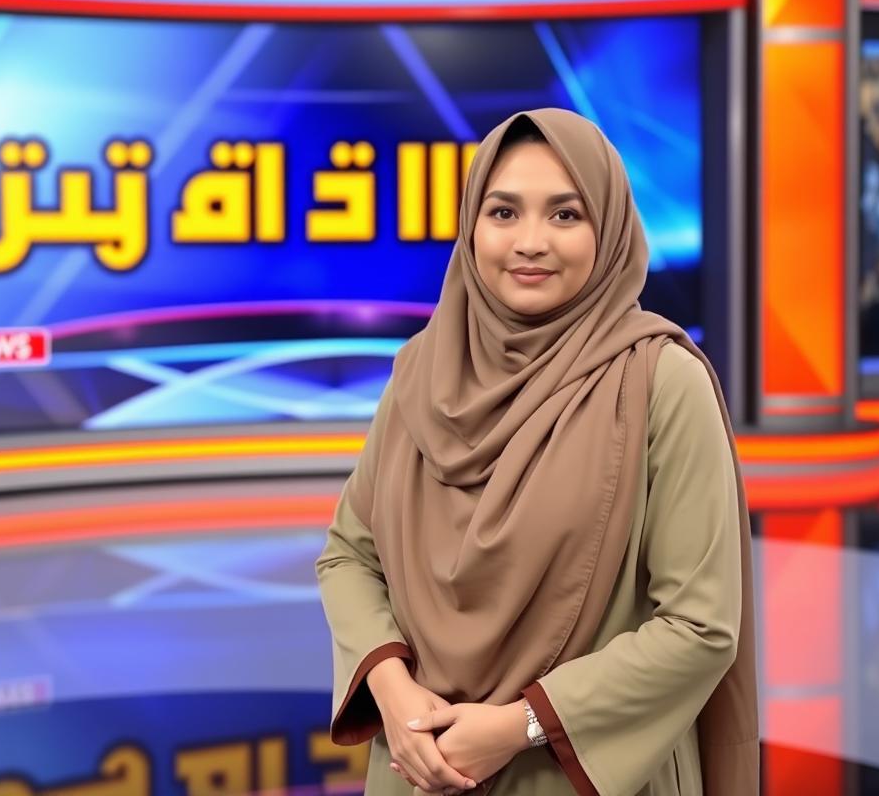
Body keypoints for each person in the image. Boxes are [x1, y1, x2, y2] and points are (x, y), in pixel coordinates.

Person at [315, 108, 758, 796]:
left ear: (607, 228)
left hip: (578, 772)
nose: (529, 242)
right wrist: (394, 692)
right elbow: (349, 554)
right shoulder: (421, 374)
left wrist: (521, 724)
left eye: (564, 215)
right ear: (471, 227)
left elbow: (700, 627)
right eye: (503, 212)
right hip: (422, 769)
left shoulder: (661, 380)